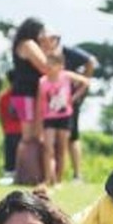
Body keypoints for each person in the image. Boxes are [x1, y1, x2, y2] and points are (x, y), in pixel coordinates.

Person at [45, 31, 97, 182]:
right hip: (50, 105)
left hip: (68, 102)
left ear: (56, 39)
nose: (43, 41)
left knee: (72, 137)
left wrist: (78, 93)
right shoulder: (44, 53)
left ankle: (77, 174)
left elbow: (91, 61)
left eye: (47, 38)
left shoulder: (68, 52)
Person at [37, 51, 89, 185]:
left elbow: (86, 82)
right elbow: (40, 103)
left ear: (60, 66)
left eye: (52, 64)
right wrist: (39, 125)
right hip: (49, 118)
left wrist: (74, 97)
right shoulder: (42, 81)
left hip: (64, 117)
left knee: (61, 149)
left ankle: (58, 180)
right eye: (47, 63)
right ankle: (49, 178)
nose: (49, 66)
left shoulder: (66, 76)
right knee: (48, 149)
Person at [10, 17, 48, 146]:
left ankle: (27, 165)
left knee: (31, 136)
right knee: (29, 136)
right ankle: (27, 165)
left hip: (25, 93)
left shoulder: (20, 44)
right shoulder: (28, 44)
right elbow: (45, 67)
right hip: (26, 94)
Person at [0, 74, 22, 181]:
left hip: (10, 130)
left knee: (10, 154)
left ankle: (10, 173)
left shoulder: (3, 97)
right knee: (17, 155)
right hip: (20, 130)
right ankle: (15, 174)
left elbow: (1, 116)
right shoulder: (23, 96)